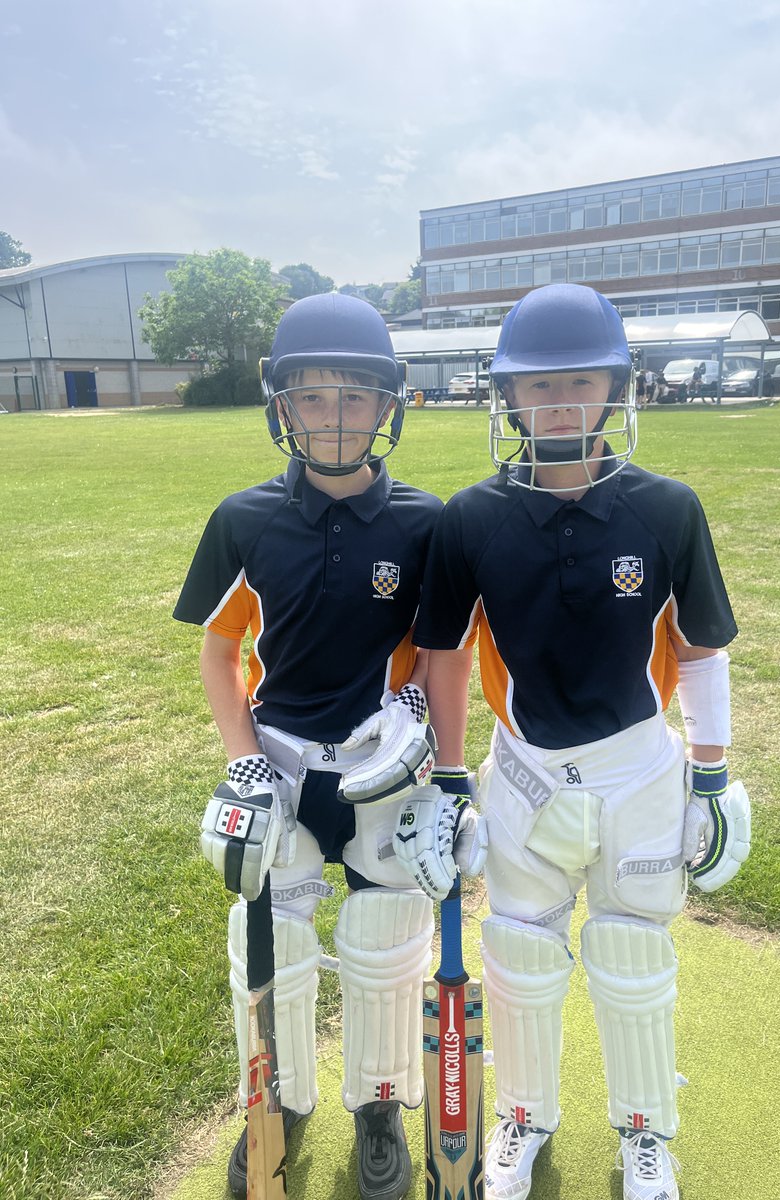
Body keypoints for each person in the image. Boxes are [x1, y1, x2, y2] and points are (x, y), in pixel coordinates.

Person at [394, 284, 750, 1200]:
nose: (559, 401)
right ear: (507, 395)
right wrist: (447, 778)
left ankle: (645, 1134)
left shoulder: (667, 508)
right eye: (538, 383)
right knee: (519, 954)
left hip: (639, 763)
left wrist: (713, 774)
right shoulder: (470, 518)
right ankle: (523, 1115)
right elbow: (444, 656)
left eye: (580, 381)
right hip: (525, 769)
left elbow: (699, 650)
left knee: (633, 952)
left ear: (616, 388)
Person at [173, 293, 483, 1200]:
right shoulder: (243, 518)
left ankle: (379, 1105)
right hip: (281, 761)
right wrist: (243, 759)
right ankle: (277, 1098)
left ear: (388, 404)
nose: (335, 417)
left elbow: (444, 658)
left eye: (354, 396)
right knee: (267, 937)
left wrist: (447, 773)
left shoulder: (427, 523)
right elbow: (220, 653)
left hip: (385, 766)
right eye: (313, 396)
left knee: (387, 941)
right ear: (283, 405)